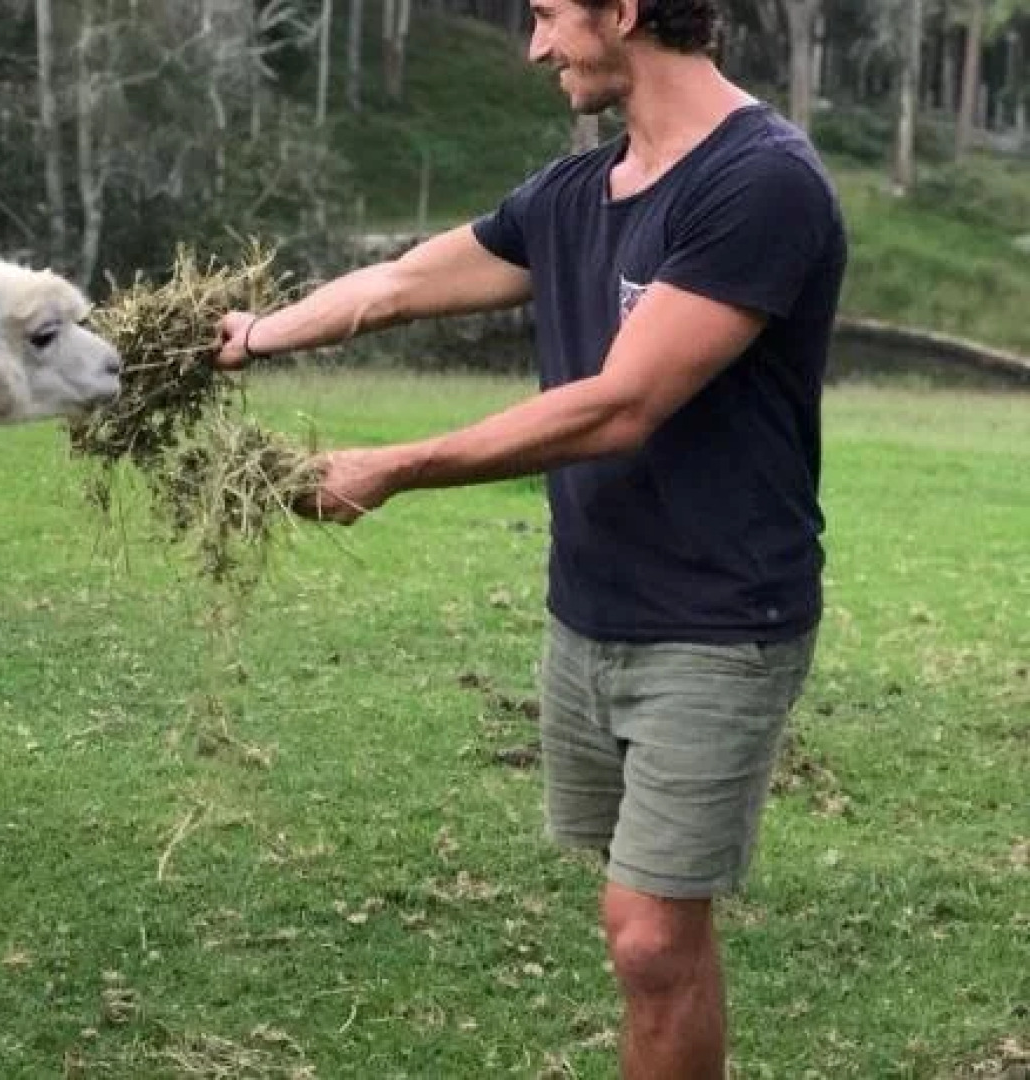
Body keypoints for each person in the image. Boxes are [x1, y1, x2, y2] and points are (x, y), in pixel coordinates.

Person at [212, 0, 846, 1074]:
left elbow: (619, 406)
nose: (537, 47)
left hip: (716, 618)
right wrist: (253, 337)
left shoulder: (760, 183)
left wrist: (392, 466)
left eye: (551, 14)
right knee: (659, 936)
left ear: (627, 11)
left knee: (647, 935)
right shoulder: (574, 194)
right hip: (585, 616)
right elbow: (399, 284)